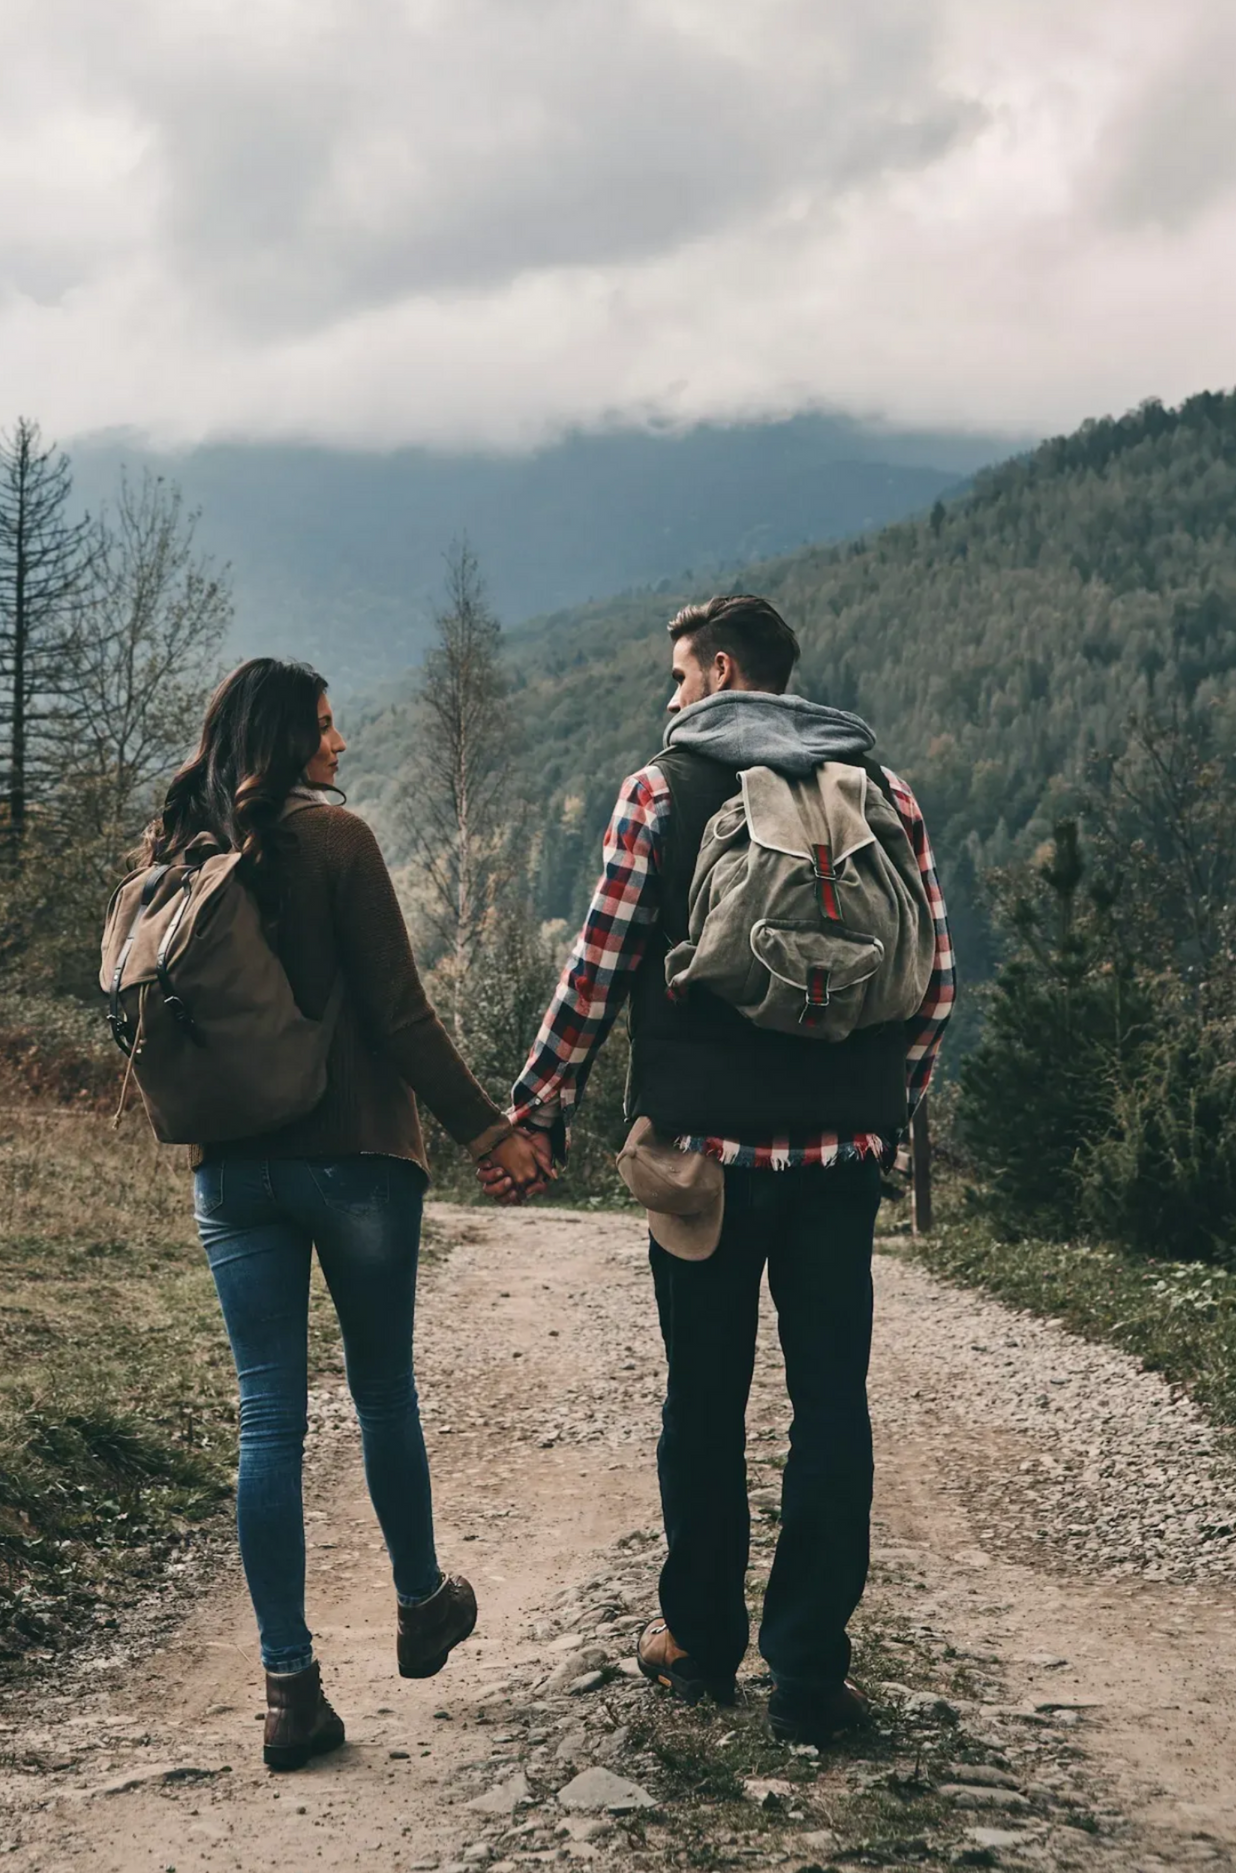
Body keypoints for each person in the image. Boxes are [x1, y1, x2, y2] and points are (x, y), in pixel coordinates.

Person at [480, 595, 954, 1745]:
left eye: (678, 673)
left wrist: (538, 1109)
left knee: (705, 1399)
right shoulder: (881, 793)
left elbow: (597, 968)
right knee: (831, 1407)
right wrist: (883, 1119)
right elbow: (932, 982)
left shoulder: (663, 789)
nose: (670, 695)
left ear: (724, 669)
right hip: (841, 1157)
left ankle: (697, 1644)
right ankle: (808, 1674)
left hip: (704, 1160)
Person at [150, 658, 551, 1771]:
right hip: (357, 1161)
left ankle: (290, 1693)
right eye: (326, 729)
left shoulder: (183, 852)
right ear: (287, 742)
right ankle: (422, 1602)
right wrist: (493, 1135)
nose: (341, 746)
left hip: (233, 1175)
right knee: (380, 1390)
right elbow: (404, 1018)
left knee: (268, 1420)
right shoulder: (339, 841)